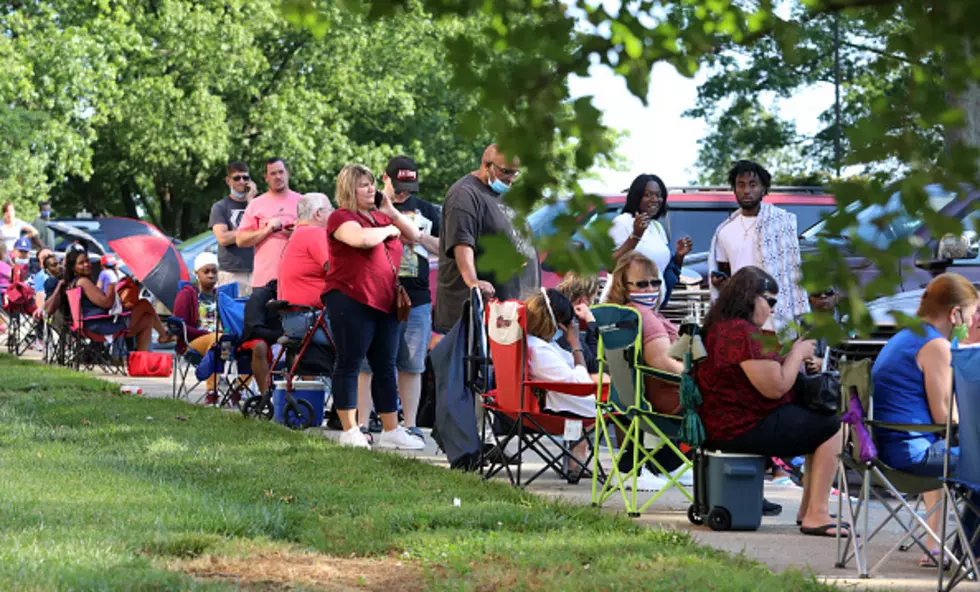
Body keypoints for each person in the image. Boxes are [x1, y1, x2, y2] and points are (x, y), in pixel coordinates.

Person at [695, 265, 844, 537]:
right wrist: (797, 354)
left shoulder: (721, 328)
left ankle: (810, 509)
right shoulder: (742, 333)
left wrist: (788, 358)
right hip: (740, 426)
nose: (773, 309)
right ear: (751, 297)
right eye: (770, 301)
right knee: (833, 425)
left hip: (722, 424)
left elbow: (758, 375)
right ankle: (815, 514)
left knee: (816, 421)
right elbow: (774, 388)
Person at [872, 273, 978, 565]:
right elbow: (945, 417)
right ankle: (969, 552)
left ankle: (949, 548)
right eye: (971, 314)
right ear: (954, 313)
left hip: (889, 449)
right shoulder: (935, 346)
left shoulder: (905, 336)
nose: (971, 322)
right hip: (912, 455)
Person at [323, 163, 424, 450]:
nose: (372, 189)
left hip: (385, 301)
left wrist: (391, 213)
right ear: (349, 189)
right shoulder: (341, 217)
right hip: (351, 298)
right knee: (350, 361)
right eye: (364, 185)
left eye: (372, 184)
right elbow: (361, 239)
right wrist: (387, 230)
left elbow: (414, 235)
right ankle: (350, 428)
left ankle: (391, 429)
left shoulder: (380, 217)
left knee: (385, 365)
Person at [358, 156, 441, 442]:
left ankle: (411, 424)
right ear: (385, 178)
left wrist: (417, 237)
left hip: (415, 296)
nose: (404, 192)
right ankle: (364, 423)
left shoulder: (427, 210)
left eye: (410, 187)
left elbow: (446, 248)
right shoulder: (368, 205)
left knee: (412, 362)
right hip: (377, 292)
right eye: (399, 185)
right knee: (368, 362)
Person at [604, 251, 691, 490]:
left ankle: (664, 465)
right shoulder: (644, 316)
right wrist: (699, 378)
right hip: (665, 395)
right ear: (624, 286)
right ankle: (664, 463)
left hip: (629, 396)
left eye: (655, 282)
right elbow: (662, 361)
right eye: (641, 284)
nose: (650, 289)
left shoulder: (620, 315)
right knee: (730, 401)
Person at [434, 144, 540, 333]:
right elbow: (462, 242)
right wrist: (473, 281)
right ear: (486, 165)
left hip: (512, 314)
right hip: (480, 318)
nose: (511, 179)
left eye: (515, 173)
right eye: (506, 172)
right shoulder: (465, 194)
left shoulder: (504, 196)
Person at [708, 160, 808, 334]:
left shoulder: (781, 223)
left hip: (776, 314)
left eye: (753, 185)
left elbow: (793, 271)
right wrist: (720, 282)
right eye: (741, 185)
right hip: (741, 318)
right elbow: (726, 274)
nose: (746, 190)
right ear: (734, 189)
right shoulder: (724, 231)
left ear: (763, 189)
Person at [525, 288, 601, 481]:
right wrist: (576, 344)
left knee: (608, 384)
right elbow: (581, 385)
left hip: (557, 397)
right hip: (557, 409)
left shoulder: (538, 344)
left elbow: (574, 370)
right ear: (555, 323)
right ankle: (635, 468)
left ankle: (576, 460)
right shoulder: (539, 351)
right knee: (623, 403)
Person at [44, 247, 172, 351]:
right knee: (144, 304)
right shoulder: (82, 282)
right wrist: (112, 285)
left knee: (147, 320)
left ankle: (142, 361)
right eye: (81, 263)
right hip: (99, 326)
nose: (87, 265)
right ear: (73, 268)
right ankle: (163, 335)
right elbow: (106, 303)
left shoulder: (73, 282)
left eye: (87, 261)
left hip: (95, 323)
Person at [602, 174, 692, 306]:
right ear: (637, 197)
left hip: (653, 307)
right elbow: (610, 266)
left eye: (659, 195)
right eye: (648, 195)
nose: (655, 199)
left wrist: (679, 256)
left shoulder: (657, 227)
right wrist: (635, 236)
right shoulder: (622, 222)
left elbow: (662, 268)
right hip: (626, 308)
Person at [235, 157, 302, 291]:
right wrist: (268, 229)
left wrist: (297, 233)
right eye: (273, 173)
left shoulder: (302, 201)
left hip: (297, 278)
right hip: (265, 280)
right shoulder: (256, 204)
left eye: (281, 172)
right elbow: (240, 240)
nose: (278, 177)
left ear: (287, 173)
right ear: (266, 177)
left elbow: (317, 235)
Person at [278, 192, 332, 346]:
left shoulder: (299, 233)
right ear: (318, 214)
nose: (333, 214)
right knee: (368, 334)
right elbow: (337, 272)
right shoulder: (314, 233)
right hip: (311, 321)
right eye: (330, 210)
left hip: (293, 321)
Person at [172, 252, 221, 403]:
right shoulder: (187, 294)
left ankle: (239, 391)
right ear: (196, 274)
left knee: (246, 344)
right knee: (217, 340)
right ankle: (212, 391)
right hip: (192, 343)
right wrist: (205, 333)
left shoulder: (221, 296)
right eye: (206, 271)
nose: (211, 275)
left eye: (214, 271)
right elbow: (179, 325)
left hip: (221, 340)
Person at [210, 161, 257, 297]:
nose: (242, 181)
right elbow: (223, 238)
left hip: (257, 271)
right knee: (231, 316)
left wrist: (251, 201)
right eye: (237, 178)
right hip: (231, 272)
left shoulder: (257, 204)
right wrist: (251, 232)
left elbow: (264, 231)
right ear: (228, 180)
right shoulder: (220, 207)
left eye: (245, 178)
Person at [555, 272, 600, 373]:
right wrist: (590, 320)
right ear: (583, 300)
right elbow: (594, 365)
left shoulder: (557, 311)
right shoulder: (568, 323)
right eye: (592, 299)